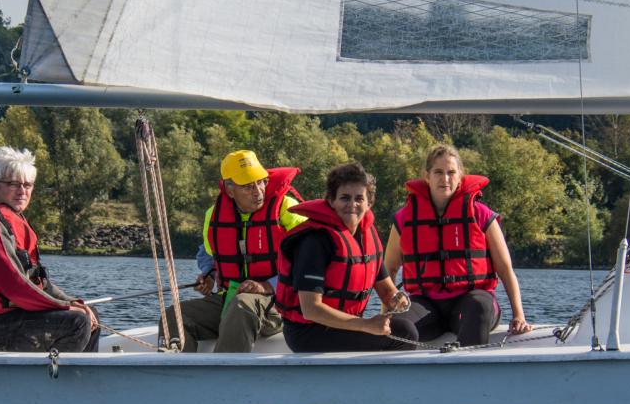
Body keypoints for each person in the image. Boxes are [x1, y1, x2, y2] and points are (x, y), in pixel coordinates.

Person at [0, 146, 99, 352]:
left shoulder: (6, 223)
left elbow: (38, 282)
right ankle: (53, 373)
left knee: (89, 314)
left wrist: (74, 303)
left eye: (28, 185)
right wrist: (65, 308)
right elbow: (15, 285)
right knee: (77, 322)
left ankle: (77, 372)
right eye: (14, 184)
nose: (23, 191)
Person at [385, 144, 532, 347]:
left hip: (473, 302)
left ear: (460, 176)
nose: (445, 179)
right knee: (400, 326)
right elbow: (389, 270)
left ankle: (471, 366)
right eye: (438, 172)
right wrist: (386, 314)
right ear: (427, 176)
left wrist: (519, 315)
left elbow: (505, 269)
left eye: (451, 172)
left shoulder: (480, 214)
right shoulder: (405, 218)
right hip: (426, 305)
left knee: (479, 307)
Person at [160, 150, 305, 352]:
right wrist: (210, 276)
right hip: (231, 298)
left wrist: (268, 285)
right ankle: (180, 370)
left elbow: (310, 261)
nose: (258, 191)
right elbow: (208, 255)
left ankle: (223, 372)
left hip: (280, 304)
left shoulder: (287, 209)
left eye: (261, 182)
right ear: (230, 190)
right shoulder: (214, 215)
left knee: (241, 304)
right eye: (247, 186)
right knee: (174, 315)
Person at [275, 162, 416, 352]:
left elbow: (386, 290)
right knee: (405, 333)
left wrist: (397, 300)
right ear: (331, 201)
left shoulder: (368, 236)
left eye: (359, 198)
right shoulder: (315, 241)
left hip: (344, 327)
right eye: (344, 198)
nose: (352, 205)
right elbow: (311, 309)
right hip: (307, 333)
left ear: (369, 203)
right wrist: (366, 325)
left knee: (406, 326)